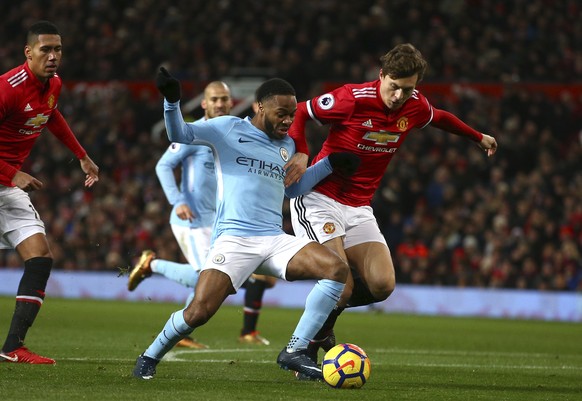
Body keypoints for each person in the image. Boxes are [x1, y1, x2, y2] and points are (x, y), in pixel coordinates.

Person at [132, 69, 359, 381]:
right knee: (198, 312)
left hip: (274, 239)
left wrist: (329, 165)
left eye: (292, 115)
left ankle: (295, 349)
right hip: (234, 240)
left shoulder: (287, 147)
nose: (288, 121)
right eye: (282, 114)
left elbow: (292, 189)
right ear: (260, 107)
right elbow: (179, 135)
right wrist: (172, 101)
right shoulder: (227, 128)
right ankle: (149, 356)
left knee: (336, 270)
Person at [284, 43, 498, 362]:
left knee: (383, 284)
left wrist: (476, 137)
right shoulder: (351, 98)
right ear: (381, 75)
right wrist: (301, 150)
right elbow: (301, 110)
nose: (398, 96)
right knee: (338, 283)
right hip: (319, 199)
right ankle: (300, 348)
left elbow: (439, 117)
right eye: (393, 86)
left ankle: (324, 323)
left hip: (359, 207)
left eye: (407, 89)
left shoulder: (414, 105)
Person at [128, 81, 276, 347]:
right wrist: (178, 201)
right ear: (205, 104)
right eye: (214, 99)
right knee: (203, 275)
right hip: (191, 218)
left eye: (224, 99)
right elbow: (164, 166)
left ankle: (184, 333)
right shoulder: (196, 133)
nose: (220, 104)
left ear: (231, 103)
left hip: (218, 220)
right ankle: (151, 264)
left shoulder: (234, 132)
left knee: (214, 275)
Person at [0, 21, 99, 364]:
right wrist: (14, 173)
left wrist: (82, 156)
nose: (54, 56)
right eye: (46, 49)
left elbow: (51, 115)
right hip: (8, 178)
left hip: (7, 186)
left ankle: (12, 347)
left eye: (58, 49)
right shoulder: (6, 89)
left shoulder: (53, 84)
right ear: (28, 52)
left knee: (40, 258)